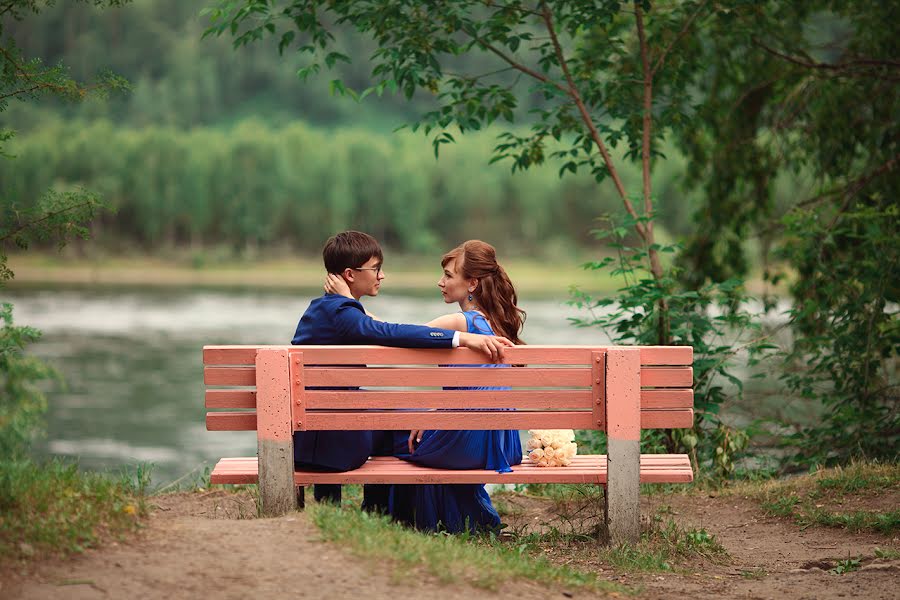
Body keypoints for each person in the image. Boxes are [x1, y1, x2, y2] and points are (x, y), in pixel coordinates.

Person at [292, 231, 513, 507]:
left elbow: (384, 330)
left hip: (322, 431)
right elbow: (386, 331)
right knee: (403, 428)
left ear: (472, 283)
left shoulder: (332, 310)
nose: (381, 275)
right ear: (350, 274)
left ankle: (380, 512)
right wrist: (463, 338)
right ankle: (379, 512)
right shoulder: (341, 312)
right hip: (329, 443)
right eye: (376, 269)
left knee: (402, 428)